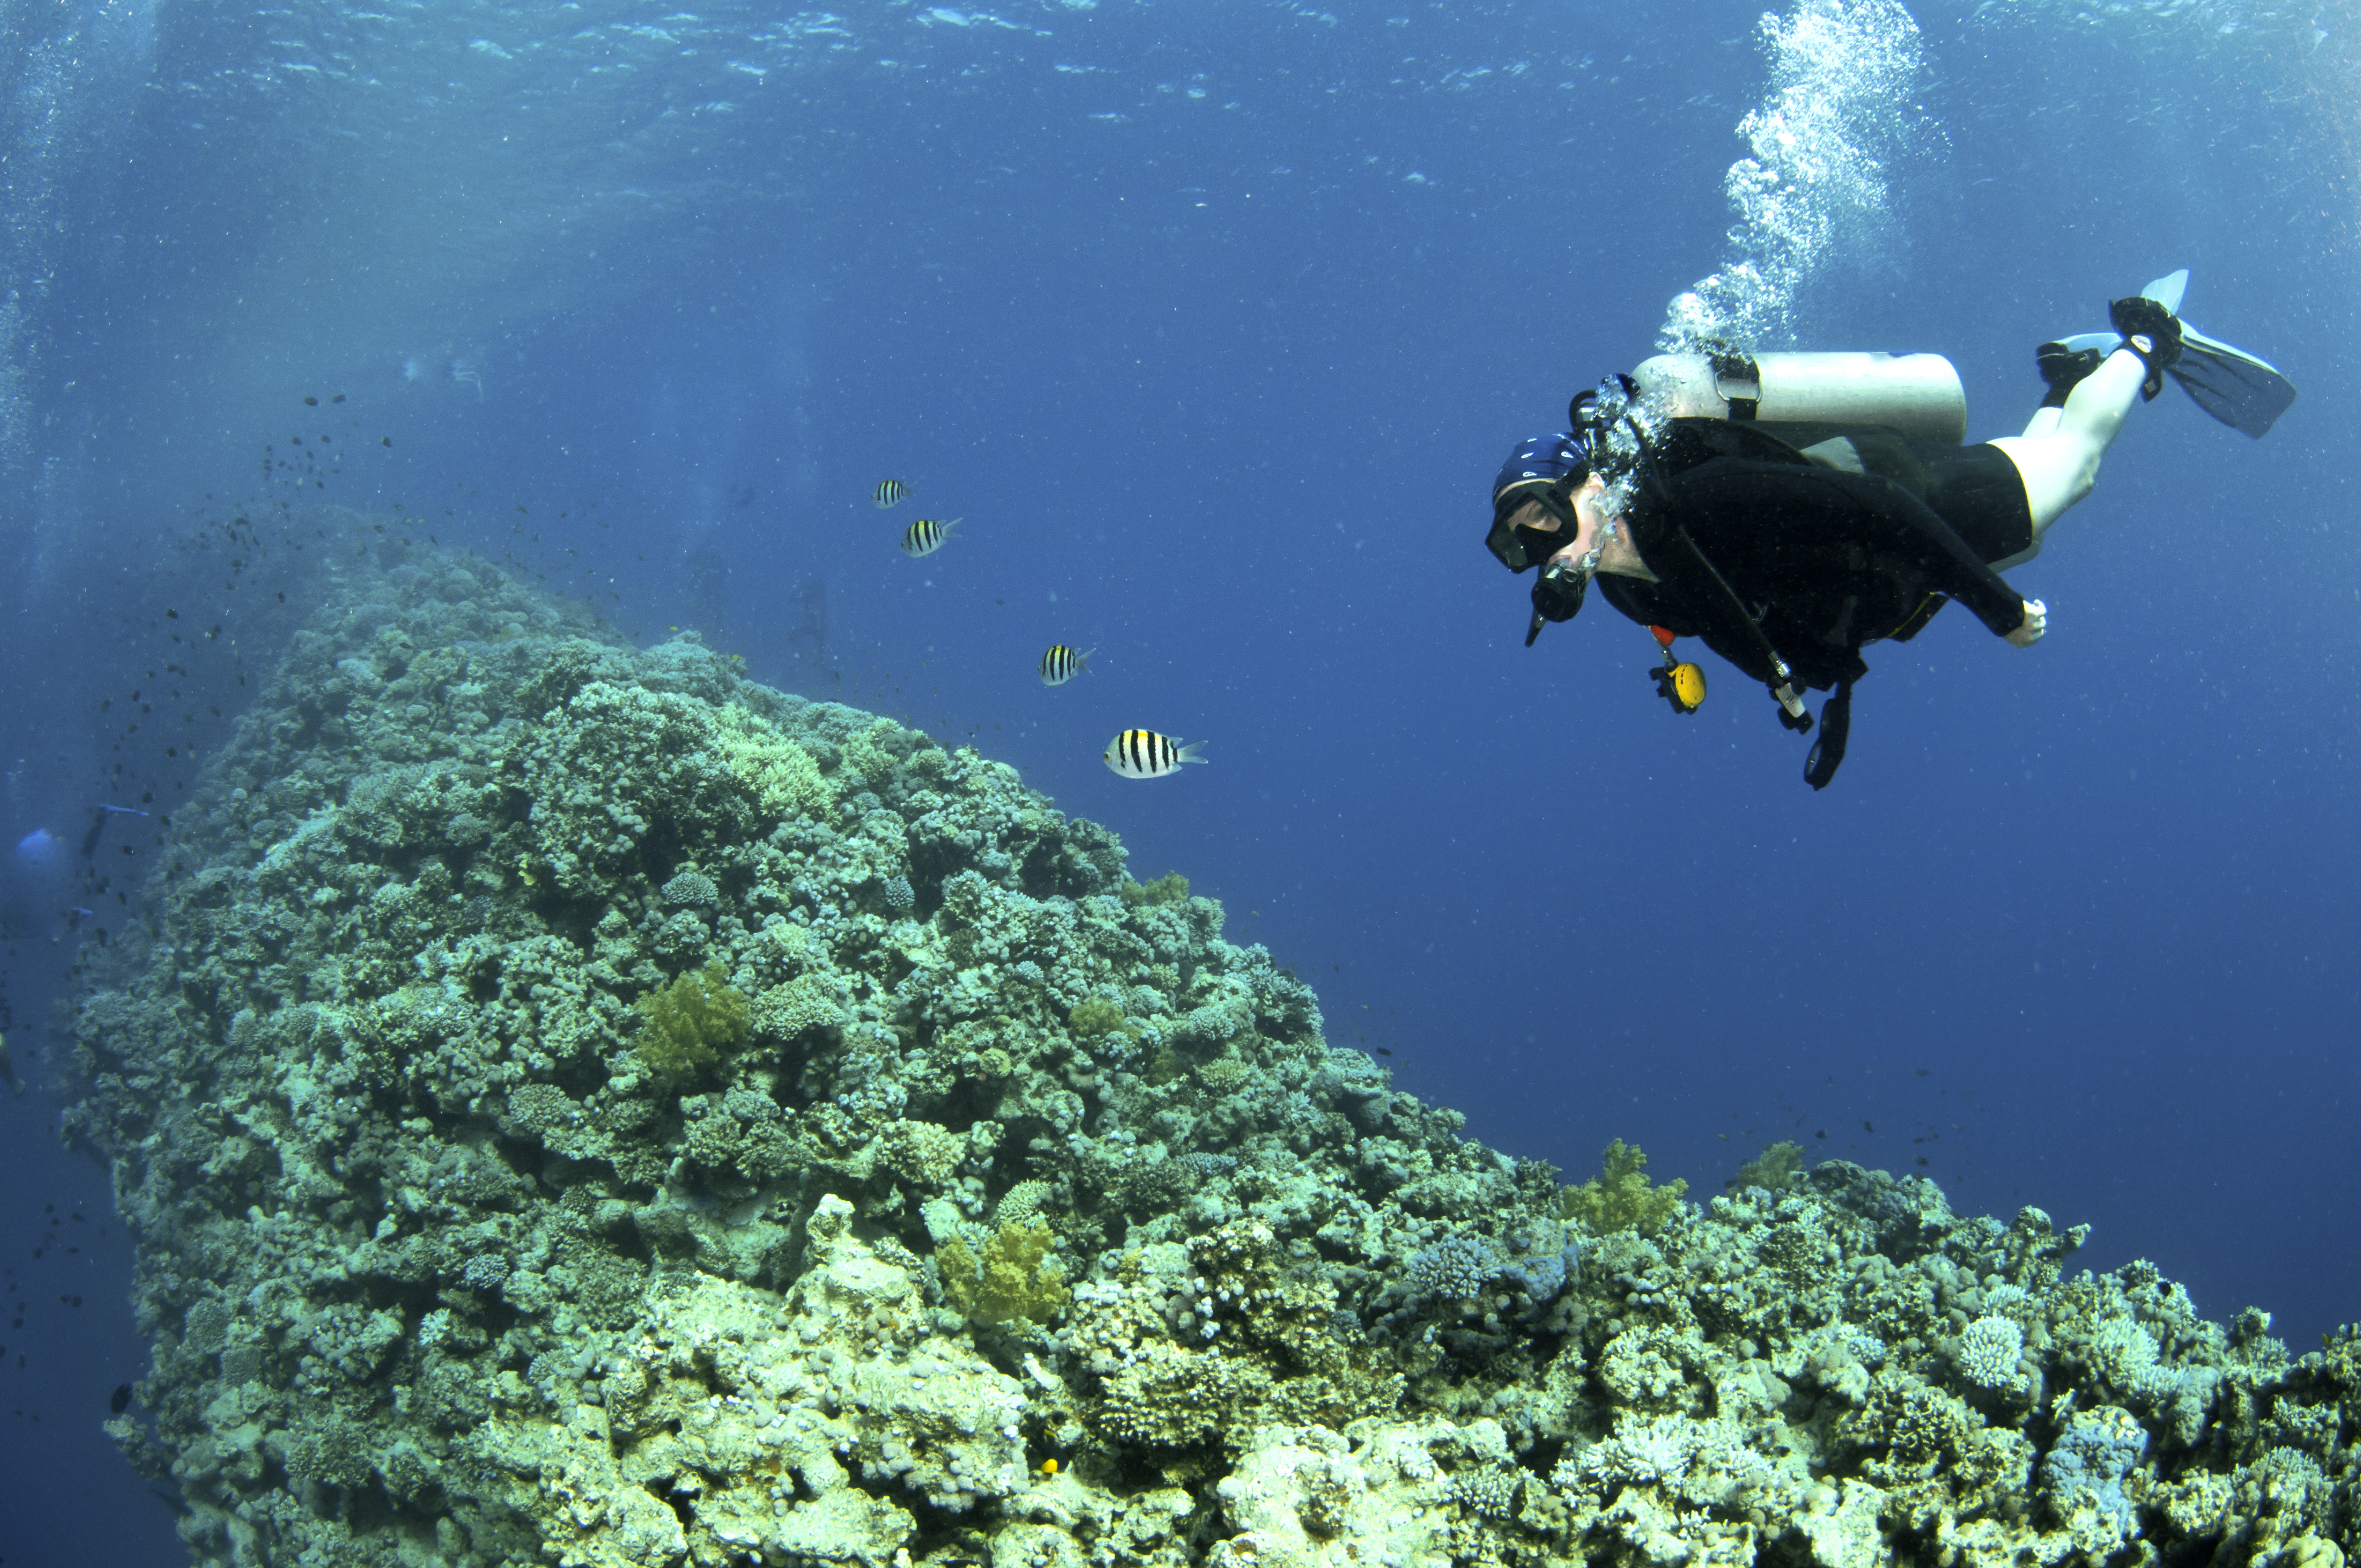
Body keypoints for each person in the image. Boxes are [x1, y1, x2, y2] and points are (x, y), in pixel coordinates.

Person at [1484, 273, 2295, 788]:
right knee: (2041, 460)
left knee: (2070, 468)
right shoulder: (1625, 589)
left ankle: (2145, 340)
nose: (1550, 547)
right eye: (1526, 542)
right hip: (1887, 571)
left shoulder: (1705, 496)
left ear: (1591, 481)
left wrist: (1998, 609)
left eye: (1548, 516)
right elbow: (1717, 604)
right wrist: (1781, 680)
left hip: (1916, 503)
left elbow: (1882, 509)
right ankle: (2067, 380)